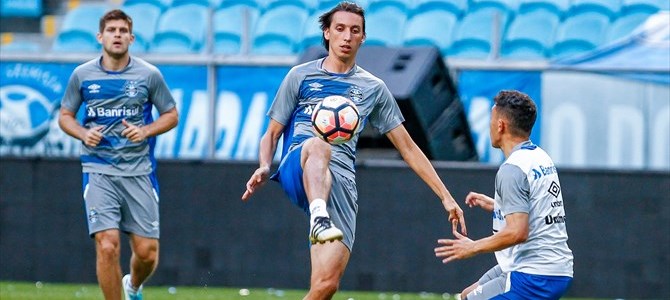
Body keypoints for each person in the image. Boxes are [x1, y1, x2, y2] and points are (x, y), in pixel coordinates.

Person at [241, 2, 466, 298]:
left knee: (325, 286)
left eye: (354, 30)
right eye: (340, 29)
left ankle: (321, 216)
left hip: (341, 182)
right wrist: (264, 164)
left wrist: (446, 196)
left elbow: (409, 148)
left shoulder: (373, 88)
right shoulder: (300, 76)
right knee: (319, 144)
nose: (347, 36)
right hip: (301, 163)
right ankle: (318, 215)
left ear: (363, 37)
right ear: (327, 33)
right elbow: (272, 133)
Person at [58, 9, 178, 300]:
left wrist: (146, 131)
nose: (117, 35)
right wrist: (84, 134)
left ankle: (133, 286)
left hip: (139, 171)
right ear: (100, 36)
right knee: (107, 244)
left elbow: (171, 114)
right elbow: (65, 115)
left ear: (131, 38)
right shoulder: (82, 75)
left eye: (123, 31)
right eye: (111, 30)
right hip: (98, 169)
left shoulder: (148, 75)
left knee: (147, 254)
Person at [434, 90, 573, 300]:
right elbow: (538, 209)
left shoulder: (512, 170)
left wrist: (472, 247)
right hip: (547, 268)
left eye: (491, 119)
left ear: (500, 125)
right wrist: (498, 205)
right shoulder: (540, 157)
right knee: (466, 296)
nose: (489, 125)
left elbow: (518, 232)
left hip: (534, 275)